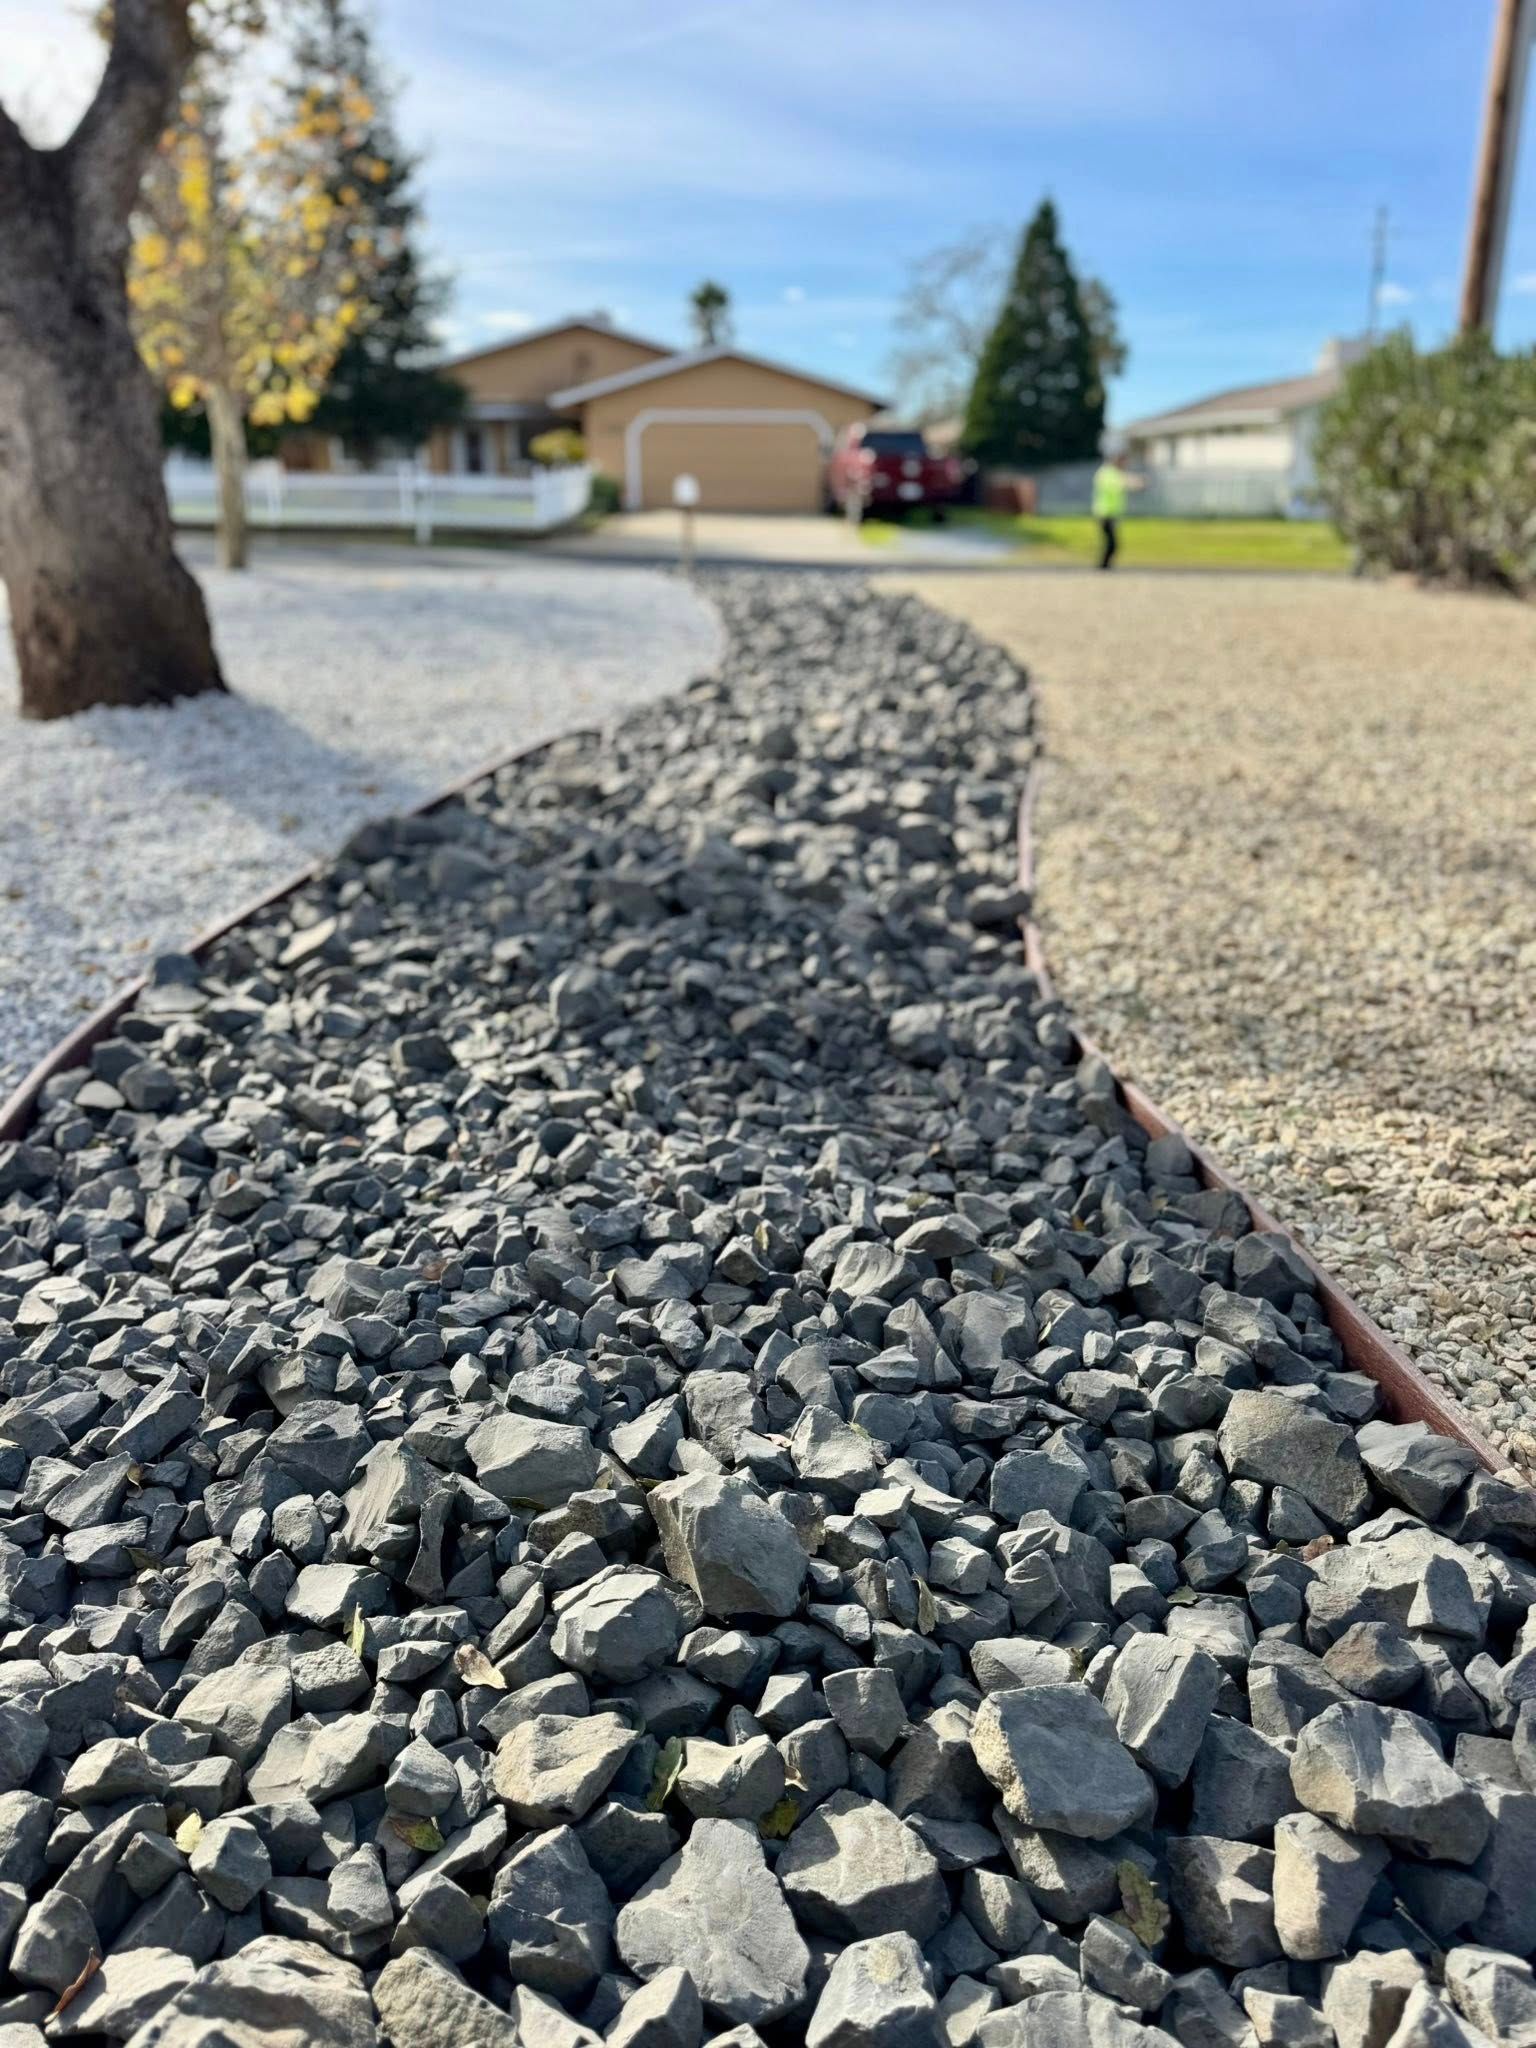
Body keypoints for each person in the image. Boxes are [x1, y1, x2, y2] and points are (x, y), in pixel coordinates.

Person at [1091, 448, 1141, 569]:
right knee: (1112, 543)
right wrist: (1135, 484)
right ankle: (1103, 566)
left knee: (1111, 543)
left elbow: (1124, 480)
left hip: (1112, 514)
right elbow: (1119, 484)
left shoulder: (1115, 473)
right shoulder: (1107, 473)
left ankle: (1104, 565)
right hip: (1105, 513)